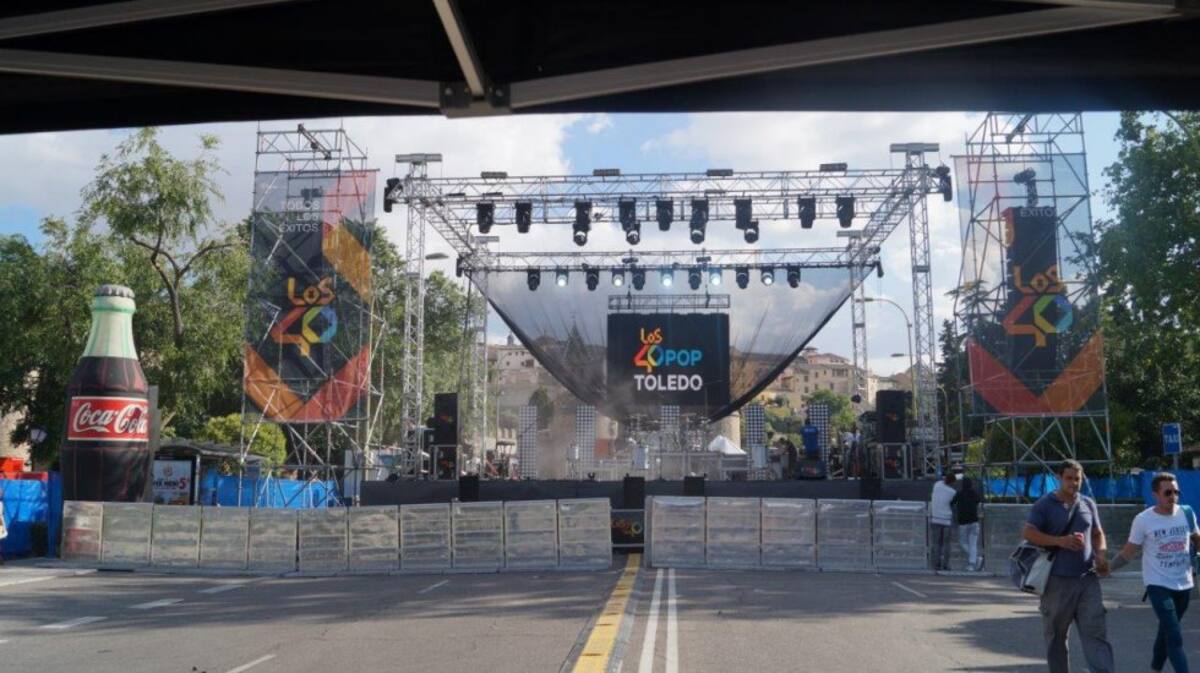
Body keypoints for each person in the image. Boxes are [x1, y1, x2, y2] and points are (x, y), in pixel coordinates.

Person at [1022, 459, 1113, 673]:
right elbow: (1028, 533)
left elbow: (1098, 534)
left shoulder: (1088, 503)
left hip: (1087, 579)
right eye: (1069, 478)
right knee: (1056, 637)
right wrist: (1059, 541)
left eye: (1077, 479)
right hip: (1056, 582)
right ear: (1059, 478)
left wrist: (1101, 555)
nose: (1073, 483)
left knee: (1096, 634)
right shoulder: (1044, 504)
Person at [1109, 472, 1200, 673]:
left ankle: (1154, 669)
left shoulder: (1186, 513)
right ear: (1155, 495)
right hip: (1158, 585)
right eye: (1168, 492)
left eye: (1176, 492)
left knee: (1166, 631)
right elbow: (1128, 552)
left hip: (1184, 583)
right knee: (1174, 635)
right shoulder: (1143, 520)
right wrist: (1108, 568)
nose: (1173, 497)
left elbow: (1196, 537)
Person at [951, 476, 983, 571]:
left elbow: (952, 503)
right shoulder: (974, 494)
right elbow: (979, 502)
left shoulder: (959, 494)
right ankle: (973, 562)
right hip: (974, 521)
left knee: (962, 542)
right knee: (973, 543)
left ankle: (975, 559)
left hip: (963, 522)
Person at [930, 473, 957, 571]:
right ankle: (945, 564)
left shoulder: (937, 485)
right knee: (946, 544)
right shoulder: (952, 492)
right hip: (946, 520)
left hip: (935, 518)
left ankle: (936, 564)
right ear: (952, 482)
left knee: (936, 543)